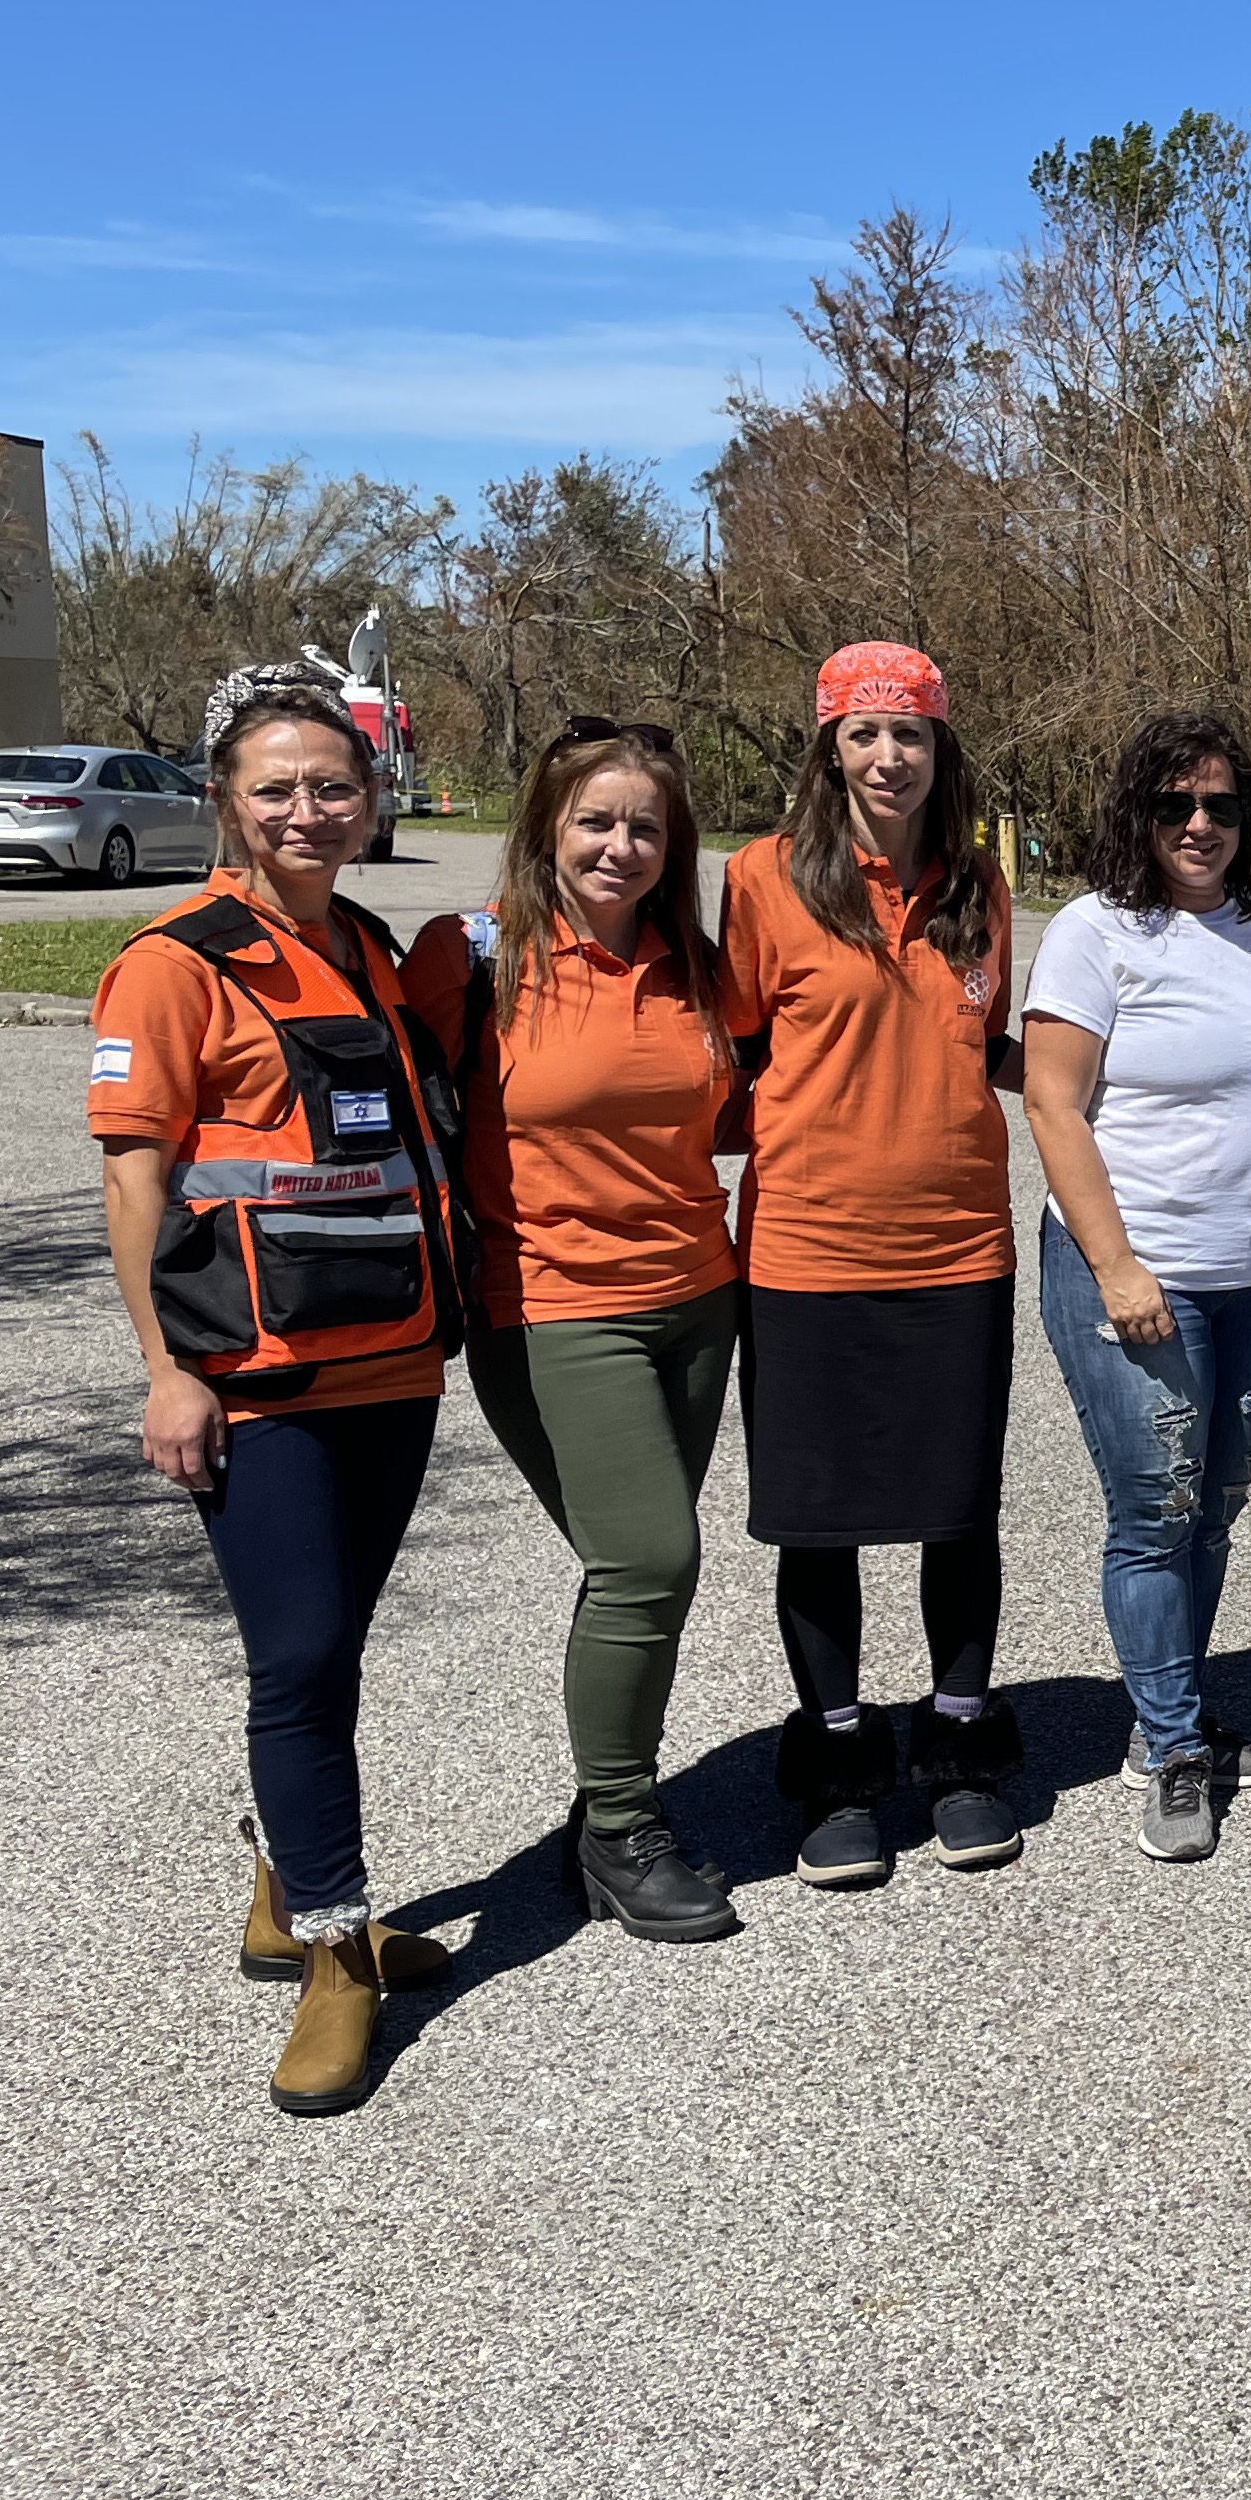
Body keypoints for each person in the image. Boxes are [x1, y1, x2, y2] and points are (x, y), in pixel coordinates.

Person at [89, 682, 466, 2113]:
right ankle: (334, 1952)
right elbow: (135, 1175)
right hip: (255, 1380)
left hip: (397, 1364)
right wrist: (162, 1370)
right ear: (224, 802)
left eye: (334, 788)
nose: (309, 811)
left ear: (371, 799)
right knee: (297, 1660)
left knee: (333, 1651)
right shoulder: (173, 965)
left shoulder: (364, 948)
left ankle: (286, 1876)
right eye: (277, 790)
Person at [403, 719, 748, 1943]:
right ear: (548, 824)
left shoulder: (695, 966)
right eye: (595, 820)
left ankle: (611, 1793)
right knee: (651, 1560)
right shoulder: (472, 954)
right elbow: (384, 1108)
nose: (620, 845)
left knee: (638, 1568)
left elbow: (749, 1104)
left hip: (703, 1302)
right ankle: (618, 1828)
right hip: (550, 1308)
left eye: (645, 825)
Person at [721, 642, 1026, 1890]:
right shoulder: (760, 880)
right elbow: (732, 1054)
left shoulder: (980, 884)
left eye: (911, 736)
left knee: (959, 1510)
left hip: (960, 1246)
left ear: (941, 750)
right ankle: (841, 1763)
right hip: (808, 1250)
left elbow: (1003, 1049)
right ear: (828, 748)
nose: (888, 757)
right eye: (863, 735)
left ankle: (957, 1742)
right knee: (821, 1521)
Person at [1021, 714, 1251, 1863]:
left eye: (1220, 806)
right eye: (1173, 807)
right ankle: (1169, 1743)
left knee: (1215, 1506)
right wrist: (1115, 1265)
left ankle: (1174, 1717)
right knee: (1153, 1515)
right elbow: (1052, 1104)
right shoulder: (1097, 936)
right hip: (1134, 1275)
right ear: (1136, 817)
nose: (1199, 826)